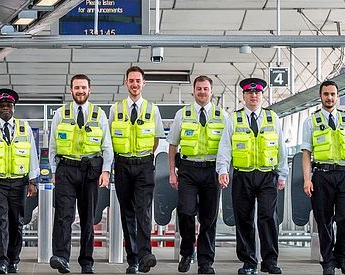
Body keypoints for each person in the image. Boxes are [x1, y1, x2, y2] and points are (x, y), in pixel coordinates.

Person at [217, 77, 288, 275]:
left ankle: (270, 261)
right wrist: (223, 170)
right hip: (242, 176)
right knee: (244, 219)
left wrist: (282, 174)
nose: (254, 95)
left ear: (262, 95)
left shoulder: (272, 118)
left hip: (267, 176)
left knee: (268, 217)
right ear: (244, 96)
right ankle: (249, 262)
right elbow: (225, 147)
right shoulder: (234, 118)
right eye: (250, 92)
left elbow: (281, 147)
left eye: (257, 93)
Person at [49, 75, 114, 274]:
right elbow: (52, 145)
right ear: (71, 90)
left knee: (88, 218)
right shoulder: (61, 113)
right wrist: (54, 172)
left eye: (83, 87)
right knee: (63, 216)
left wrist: (106, 171)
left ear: (89, 90)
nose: (80, 91)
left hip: (90, 171)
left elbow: (107, 146)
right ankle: (61, 257)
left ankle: (87, 262)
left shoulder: (99, 114)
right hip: (66, 170)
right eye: (77, 87)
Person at [300, 80, 345, 275]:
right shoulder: (311, 121)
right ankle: (328, 261)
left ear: (337, 96)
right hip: (321, 176)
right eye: (326, 94)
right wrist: (307, 179)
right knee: (323, 219)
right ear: (320, 96)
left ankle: (343, 257)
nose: (329, 97)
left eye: (333, 94)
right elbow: (306, 153)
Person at [168, 75, 228, 274]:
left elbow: (227, 147)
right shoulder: (182, 114)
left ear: (212, 92)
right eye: (199, 89)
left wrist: (224, 170)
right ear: (193, 91)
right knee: (185, 212)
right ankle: (186, 252)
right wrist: (172, 173)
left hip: (212, 171)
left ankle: (205, 262)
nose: (202, 92)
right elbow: (173, 145)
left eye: (206, 89)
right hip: (188, 170)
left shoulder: (223, 116)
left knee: (209, 218)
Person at [108, 66, 165, 274]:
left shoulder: (153, 109)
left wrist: (142, 156)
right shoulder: (116, 109)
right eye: (131, 81)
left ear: (144, 83)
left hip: (144, 164)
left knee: (144, 211)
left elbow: (156, 139)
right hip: (122, 164)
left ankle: (144, 256)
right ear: (126, 83)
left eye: (138, 81)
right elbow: (111, 138)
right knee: (128, 213)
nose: (134, 84)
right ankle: (132, 259)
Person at [0, 88, 39, 274]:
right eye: (2, 105)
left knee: (16, 223)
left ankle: (13, 259)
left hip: (19, 183)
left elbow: (32, 155)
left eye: (9, 105)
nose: (5, 108)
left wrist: (32, 181)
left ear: (14, 107)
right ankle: (1, 261)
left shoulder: (24, 127)